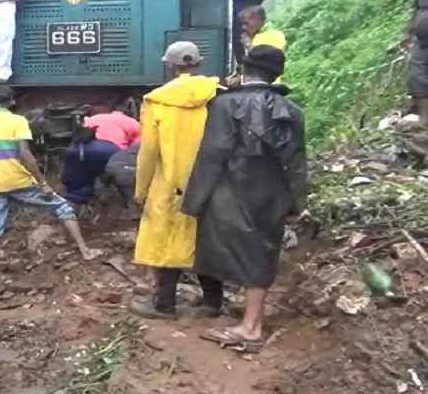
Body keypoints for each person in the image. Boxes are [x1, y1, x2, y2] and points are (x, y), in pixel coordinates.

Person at [181, 45, 306, 352]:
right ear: (276, 74)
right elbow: (297, 162)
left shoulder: (225, 105)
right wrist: (297, 203)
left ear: (244, 70)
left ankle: (250, 329)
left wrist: (194, 200)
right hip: (274, 193)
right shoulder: (292, 110)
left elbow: (213, 155)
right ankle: (253, 321)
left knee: (236, 250)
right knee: (263, 253)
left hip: (234, 191)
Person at [0, 85, 102, 283]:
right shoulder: (17, 120)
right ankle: (85, 251)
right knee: (63, 207)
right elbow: (24, 153)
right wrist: (42, 181)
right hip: (20, 182)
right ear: (11, 101)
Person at [128, 42, 222, 319]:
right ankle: (213, 302)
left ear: (170, 65)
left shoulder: (157, 101)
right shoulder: (217, 95)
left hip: (170, 182)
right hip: (212, 181)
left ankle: (164, 305)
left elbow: (148, 152)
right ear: (199, 63)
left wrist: (141, 189)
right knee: (205, 237)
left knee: (168, 240)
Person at [61, 106, 140, 207]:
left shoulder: (94, 118)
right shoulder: (131, 122)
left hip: (81, 150)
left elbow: (80, 135)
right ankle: (125, 205)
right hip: (109, 150)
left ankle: (72, 208)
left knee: (78, 183)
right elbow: (137, 148)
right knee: (121, 171)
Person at [405, 0, 428, 127]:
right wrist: (407, 33)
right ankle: (424, 117)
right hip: (421, 39)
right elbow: (415, 9)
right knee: (417, 75)